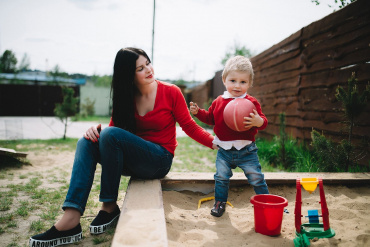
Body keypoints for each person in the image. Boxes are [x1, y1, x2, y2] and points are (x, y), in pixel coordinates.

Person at [29, 47, 217, 246]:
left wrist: (215, 143)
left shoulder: (171, 92)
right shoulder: (126, 97)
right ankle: (71, 219)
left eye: (148, 63)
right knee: (86, 142)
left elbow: (188, 125)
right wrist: (96, 131)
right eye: (140, 68)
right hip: (133, 161)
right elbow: (112, 134)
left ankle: (108, 207)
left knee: (108, 135)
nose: (148, 70)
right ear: (128, 74)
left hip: (159, 160)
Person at [190, 55, 269, 217]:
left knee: (256, 177)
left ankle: (267, 201)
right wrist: (198, 113)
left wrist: (258, 121)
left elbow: (264, 122)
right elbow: (210, 118)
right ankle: (219, 202)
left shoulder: (251, 102)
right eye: (233, 80)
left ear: (249, 83)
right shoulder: (219, 101)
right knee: (221, 177)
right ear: (225, 80)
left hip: (247, 150)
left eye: (243, 82)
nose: (237, 86)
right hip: (224, 150)